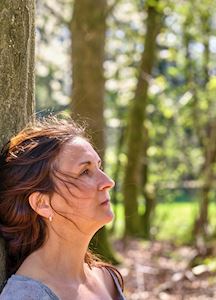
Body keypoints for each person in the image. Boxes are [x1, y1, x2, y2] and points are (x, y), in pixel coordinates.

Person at [0, 117, 125, 300]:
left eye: (99, 167)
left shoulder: (107, 278)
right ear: (42, 204)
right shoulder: (25, 296)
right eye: (84, 172)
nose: (108, 182)